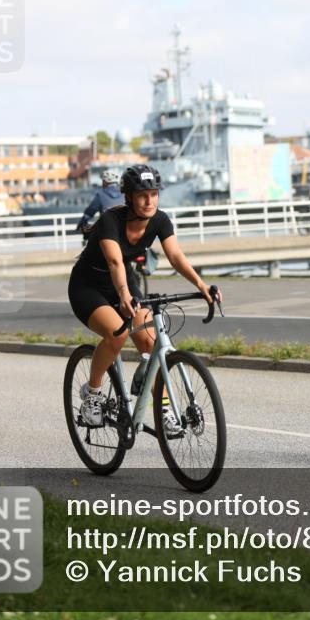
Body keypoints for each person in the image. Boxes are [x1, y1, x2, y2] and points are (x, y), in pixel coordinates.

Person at [67, 164, 218, 435]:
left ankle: (163, 408)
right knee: (116, 334)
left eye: (154, 194)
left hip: (124, 282)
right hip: (88, 285)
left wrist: (202, 284)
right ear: (129, 197)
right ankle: (92, 393)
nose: (149, 201)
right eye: (142, 195)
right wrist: (124, 295)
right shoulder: (110, 221)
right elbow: (114, 261)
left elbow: (175, 257)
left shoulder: (160, 220)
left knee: (153, 344)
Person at [78, 169, 125, 235]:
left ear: (106, 181)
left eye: (103, 181)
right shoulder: (124, 194)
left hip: (107, 231)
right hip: (124, 231)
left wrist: (82, 223)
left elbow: (90, 212)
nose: (102, 183)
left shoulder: (101, 194)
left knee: (91, 242)